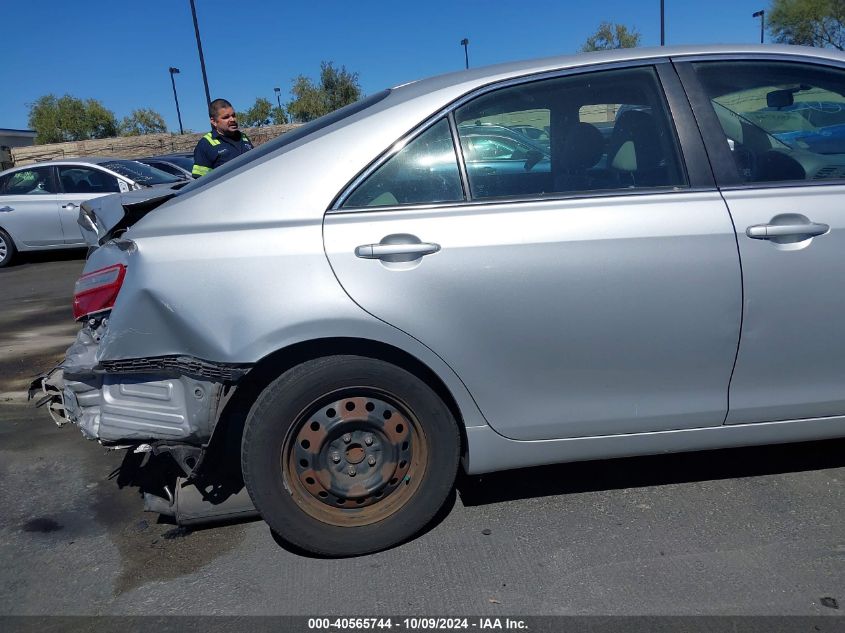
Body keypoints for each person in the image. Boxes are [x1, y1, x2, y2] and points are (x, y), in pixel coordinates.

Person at [191, 98, 254, 177]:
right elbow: (201, 181)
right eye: (226, 117)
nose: (232, 119)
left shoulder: (243, 137)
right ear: (214, 121)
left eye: (233, 115)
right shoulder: (205, 144)